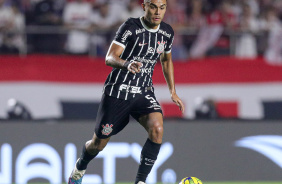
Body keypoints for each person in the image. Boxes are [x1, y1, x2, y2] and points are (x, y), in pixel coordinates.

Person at [67, 0, 185, 184]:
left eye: (162, 7)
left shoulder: (167, 32)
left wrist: (173, 91)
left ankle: (141, 181)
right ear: (144, 6)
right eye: (153, 6)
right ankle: (80, 167)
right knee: (98, 144)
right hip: (118, 91)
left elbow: (167, 60)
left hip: (144, 92)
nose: (157, 12)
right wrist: (127, 63)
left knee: (157, 129)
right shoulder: (130, 27)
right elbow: (110, 57)